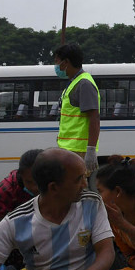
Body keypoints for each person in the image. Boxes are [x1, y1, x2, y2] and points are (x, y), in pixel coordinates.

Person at [53, 43, 100, 174]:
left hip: (78, 151)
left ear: (66, 62)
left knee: (75, 188)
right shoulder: (74, 82)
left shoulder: (84, 83)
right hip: (69, 149)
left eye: (57, 62)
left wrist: (90, 150)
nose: (56, 67)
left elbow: (94, 117)